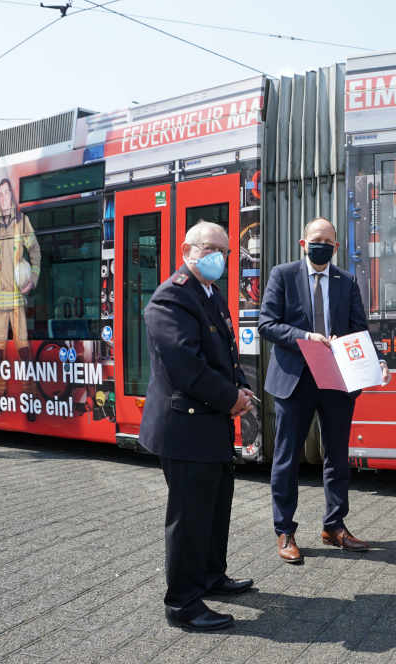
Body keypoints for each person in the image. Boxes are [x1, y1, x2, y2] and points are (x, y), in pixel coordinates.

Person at [140, 221, 256, 632]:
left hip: (210, 425)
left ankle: (210, 576)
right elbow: (186, 366)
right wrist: (230, 399)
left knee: (215, 507)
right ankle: (183, 604)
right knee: (189, 518)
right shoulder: (171, 297)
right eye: (211, 249)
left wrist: (240, 387)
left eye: (225, 251)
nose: (219, 258)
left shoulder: (210, 294)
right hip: (185, 428)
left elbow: (225, 352)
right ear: (187, 249)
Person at [258, 217, 385, 564]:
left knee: (337, 457)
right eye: (317, 239)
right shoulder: (282, 275)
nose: (322, 245)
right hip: (295, 380)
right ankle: (284, 530)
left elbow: (359, 329)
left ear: (336, 247)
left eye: (328, 241)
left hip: (336, 380)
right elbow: (267, 324)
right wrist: (305, 338)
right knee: (286, 459)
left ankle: (334, 526)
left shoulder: (346, 281)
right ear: (303, 243)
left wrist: (366, 358)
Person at [0, 178, 40, 420]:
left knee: (23, 351)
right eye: (0, 194)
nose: (4, 198)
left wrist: (33, 279)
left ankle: (28, 396)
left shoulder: (22, 222)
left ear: (12, 197)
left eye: (7, 193)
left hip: (17, 300)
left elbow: (35, 250)